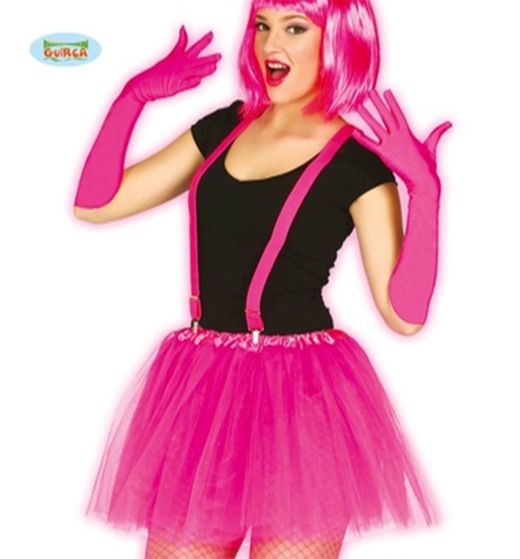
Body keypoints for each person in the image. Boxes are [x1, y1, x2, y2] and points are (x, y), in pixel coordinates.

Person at [74, 1, 451, 558]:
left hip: (302, 402)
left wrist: (425, 190)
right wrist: (132, 99)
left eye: (295, 28)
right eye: (263, 26)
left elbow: (404, 315)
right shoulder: (225, 127)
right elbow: (95, 204)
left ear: (338, 40)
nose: (271, 44)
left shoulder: (358, 164)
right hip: (204, 391)